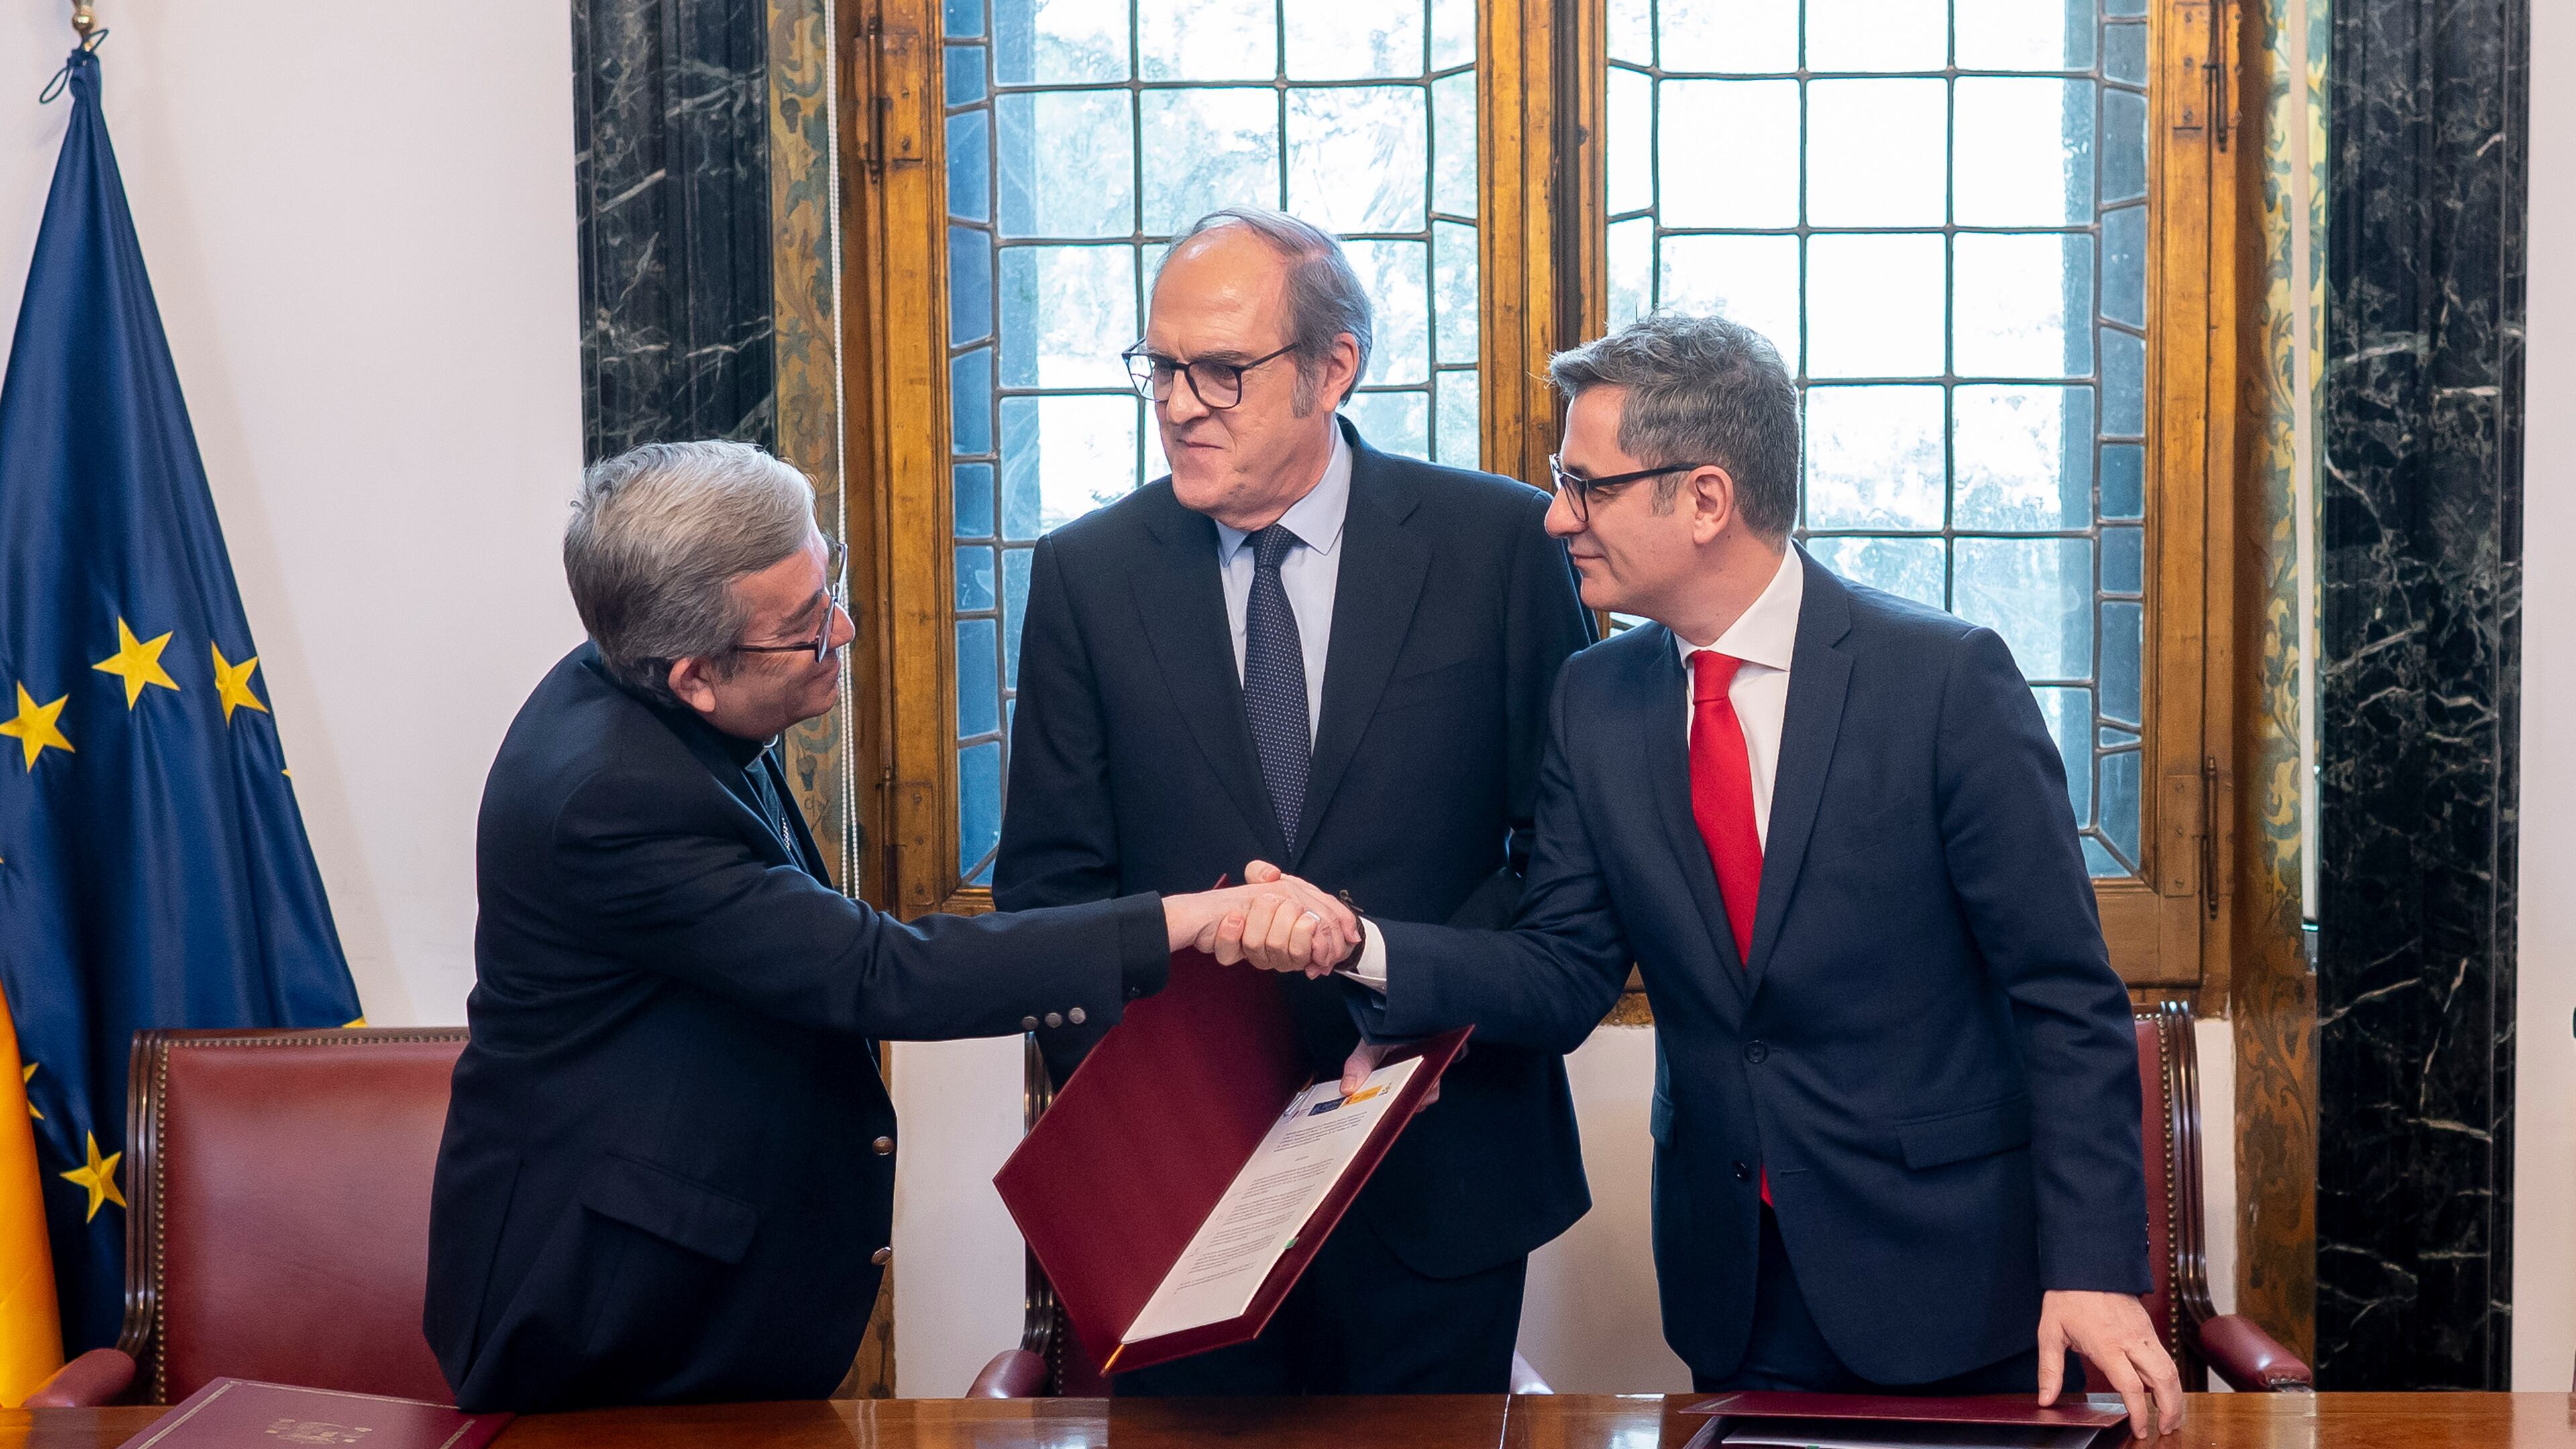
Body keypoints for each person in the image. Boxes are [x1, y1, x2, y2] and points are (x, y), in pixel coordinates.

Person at [1231, 314, 2186, 1436]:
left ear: (1704, 499)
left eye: (1585, 487)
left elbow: (2063, 1000)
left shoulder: (1944, 684)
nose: (1555, 518)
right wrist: (1363, 944)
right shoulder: (1597, 701)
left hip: (1951, 1278)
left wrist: (2092, 1268)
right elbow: (1564, 969)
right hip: (1733, 1279)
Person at [423, 440, 1352, 1413]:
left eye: (831, 586)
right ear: (693, 673)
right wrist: (1187, 921)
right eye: (806, 629)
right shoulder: (609, 794)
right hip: (607, 1316)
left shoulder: (655, 680)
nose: (847, 630)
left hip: (691, 1283)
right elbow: (876, 971)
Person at [995, 207, 1595, 1395]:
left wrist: (1392, 981)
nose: (1176, 404)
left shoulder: (1499, 545)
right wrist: (1175, 1118)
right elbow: (1047, 898)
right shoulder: (1086, 575)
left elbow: (1564, 872)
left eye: (1220, 370)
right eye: (1159, 367)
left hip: (1442, 1171)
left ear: (1334, 369)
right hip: (1187, 1207)